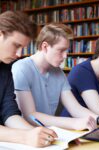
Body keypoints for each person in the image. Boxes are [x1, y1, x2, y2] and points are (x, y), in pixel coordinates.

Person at [12, 23, 99, 132]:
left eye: (66, 51)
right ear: (45, 47)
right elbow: (30, 115)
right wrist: (74, 123)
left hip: (49, 133)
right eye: (61, 50)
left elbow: (75, 108)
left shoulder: (58, 73)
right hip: (24, 135)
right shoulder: (21, 68)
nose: (65, 56)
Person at [0, 11, 57, 147]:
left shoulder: (5, 67)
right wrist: (25, 137)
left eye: (22, 48)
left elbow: (9, 112)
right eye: (16, 45)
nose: (19, 54)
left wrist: (39, 134)